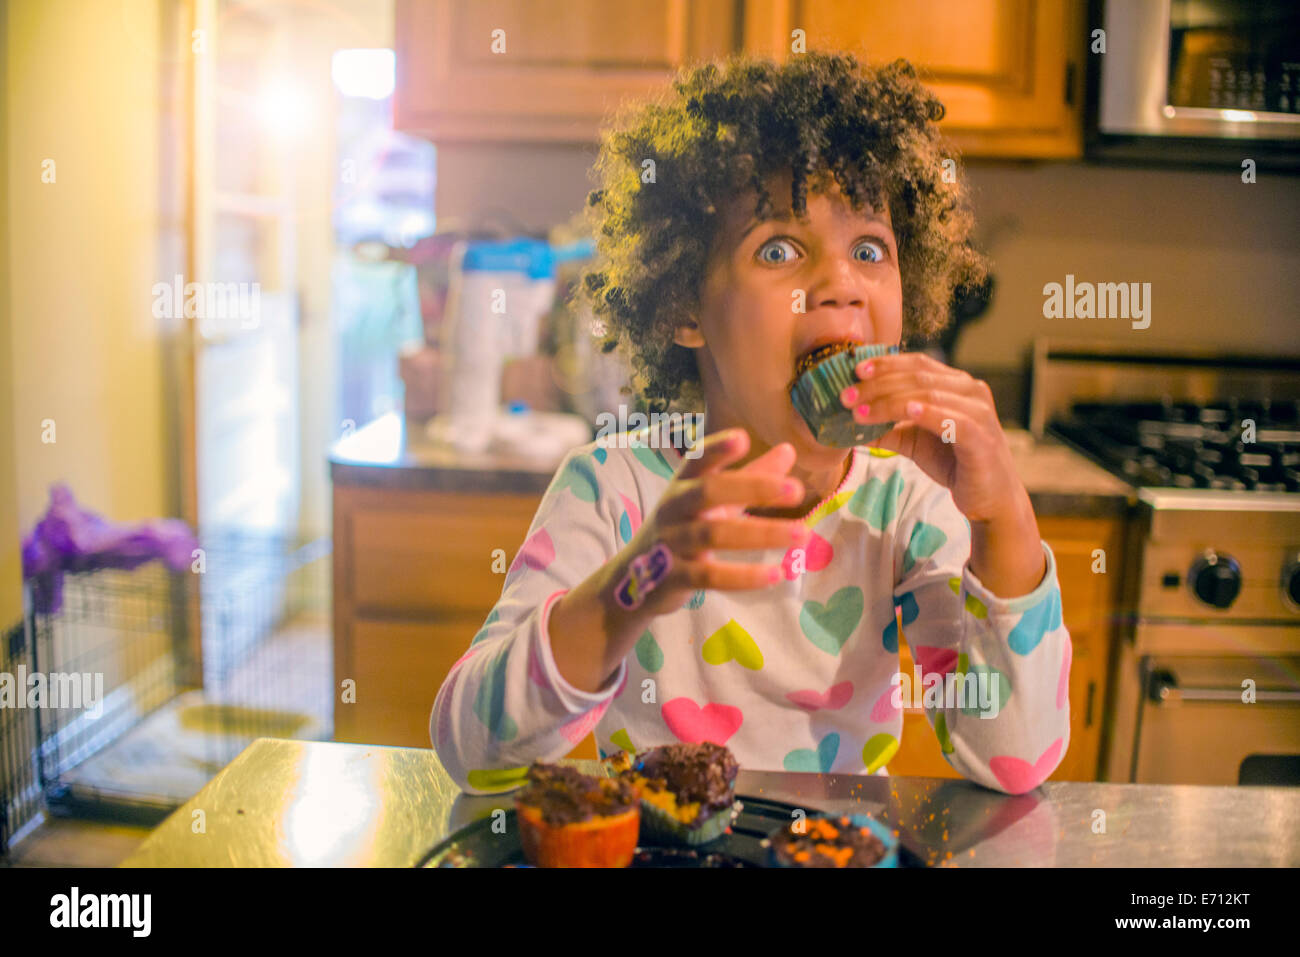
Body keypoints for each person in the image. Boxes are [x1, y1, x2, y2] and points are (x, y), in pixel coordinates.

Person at [431, 53, 1071, 796]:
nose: (840, 282)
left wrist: (1006, 520)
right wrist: (627, 591)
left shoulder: (909, 503)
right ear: (683, 307)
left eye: (870, 249)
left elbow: (1013, 759)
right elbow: (470, 752)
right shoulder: (616, 490)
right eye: (779, 249)